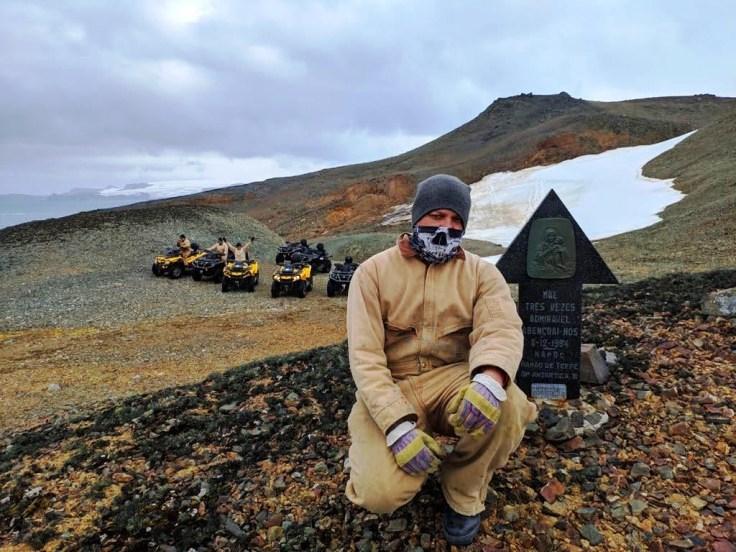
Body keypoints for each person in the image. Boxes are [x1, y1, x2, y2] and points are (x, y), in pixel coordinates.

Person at [344, 174, 537, 546]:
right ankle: (373, 452)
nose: (446, 227)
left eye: (456, 221)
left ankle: (463, 491)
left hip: (455, 381)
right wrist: (397, 428)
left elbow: (501, 328)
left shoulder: (482, 273)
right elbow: (365, 358)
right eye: (437, 216)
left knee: (509, 403)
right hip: (393, 387)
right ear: (417, 217)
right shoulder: (372, 274)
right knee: (378, 495)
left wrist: (490, 379)